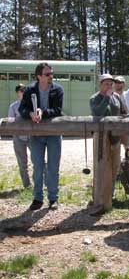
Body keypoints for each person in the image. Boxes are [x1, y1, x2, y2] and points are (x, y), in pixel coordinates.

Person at [18, 62, 64, 210]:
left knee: (53, 168)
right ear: (39, 76)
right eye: (47, 74)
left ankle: (53, 199)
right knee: (37, 167)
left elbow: (57, 110)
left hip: (54, 134)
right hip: (36, 135)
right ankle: (38, 198)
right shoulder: (30, 89)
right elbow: (22, 108)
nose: (51, 76)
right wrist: (30, 113)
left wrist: (43, 113)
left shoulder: (58, 89)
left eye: (52, 73)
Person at [90, 73, 126, 196]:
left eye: (111, 84)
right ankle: (98, 194)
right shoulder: (94, 98)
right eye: (106, 84)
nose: (109, 87)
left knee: (115, 165)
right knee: (101, 166)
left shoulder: (117, 97)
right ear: (100, 85)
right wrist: (106, 98)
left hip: (115, 137)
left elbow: (122, 112)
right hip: (100, 138)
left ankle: (110, 192)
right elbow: (98, 112)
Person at [8, 84, 31, 188]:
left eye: (24, 90)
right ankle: (27, 185)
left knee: (39, 161)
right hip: (18, 138)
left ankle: (45, 184)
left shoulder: (32, 105)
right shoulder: (13, 106)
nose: (23, 92)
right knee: (22, 163)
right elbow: (10, 122)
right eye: (21, 91)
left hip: (32, 136)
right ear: (18, 93)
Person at [113, 75, 129, 149]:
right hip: (114, 125)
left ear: (124, 84)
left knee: (128, 147)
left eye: (120, 82)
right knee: (115, 147)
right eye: (116, 82)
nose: (117, 84)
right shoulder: (111, 95)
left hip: (127, 124)